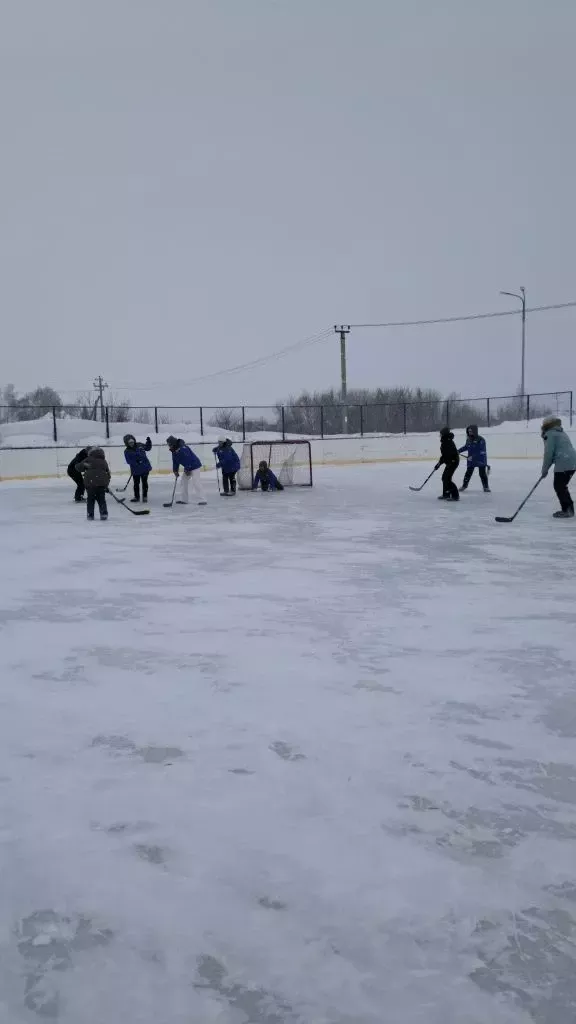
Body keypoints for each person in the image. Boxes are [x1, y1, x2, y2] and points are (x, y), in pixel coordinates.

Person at [541, 415, 576, 518]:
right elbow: (560, 449)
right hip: (572, 462)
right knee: (561, 486)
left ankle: (567, 510)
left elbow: (548, 453)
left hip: (564, 461)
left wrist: (544, 470)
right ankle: (569, 509)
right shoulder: (561, 432)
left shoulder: (550, 434)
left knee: (559, 486)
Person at [166, 436, 207, 505]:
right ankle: (184, 500)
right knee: (183, 482)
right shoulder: (174, 451)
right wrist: (175, 471)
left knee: (196, 482)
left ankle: (203, 500)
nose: (169, 446)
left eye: (169, 444)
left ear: (173, 443)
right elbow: (175, 462)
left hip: (195, 466)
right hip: (188, 467)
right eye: (168, 444)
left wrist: (187, 469)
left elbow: (188, 459)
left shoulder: (183, 448)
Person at [77, 447, 111, 521]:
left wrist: (83, 464)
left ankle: (90, 514)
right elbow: (108, 474)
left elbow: (78, 468)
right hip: (101, 484)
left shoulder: (88, 459)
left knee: (90, 499)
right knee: (101, 499)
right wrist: (106, 484)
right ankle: (103, 513)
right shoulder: (104, 461)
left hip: (90, 483)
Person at [458, 425, 490, 492]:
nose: (470, 433)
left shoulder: (481, 440)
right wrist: (457, 451)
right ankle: (464, 486)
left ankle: (486, 487)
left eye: (471, 431)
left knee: (482, 474)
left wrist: (473, 457)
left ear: (475, 431)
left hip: (480, 459)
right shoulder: (468, 439)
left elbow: (481, 451)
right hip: (471, 460)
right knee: (468, 473)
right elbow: (466, 447)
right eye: (469, 431)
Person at [123, 434, 152, 503]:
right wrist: (136, 462)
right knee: (136, 484)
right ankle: (136, 497)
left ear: (134, 441)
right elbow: (128, 461)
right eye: (130, 443)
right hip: (135, 470)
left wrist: (149, 442)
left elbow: (148, 448)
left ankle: (145, 496)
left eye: (132, 442)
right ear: (127, 443)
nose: (131, 444)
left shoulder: (140, 445)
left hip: (145, 468)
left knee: (144, 483)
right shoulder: (127, 451)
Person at [435, 427, 460, 501]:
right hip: (450, 462)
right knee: (445, 478)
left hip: (453, 462)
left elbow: (448, 455)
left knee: (446, 478)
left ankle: (455, 496)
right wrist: (439, 463)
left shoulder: (447, 442)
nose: (440, 435)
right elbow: (444, 455)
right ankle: (446, 494)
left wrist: (441, 463)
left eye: (441, 434)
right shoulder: (445, 441)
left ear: (444, 434)